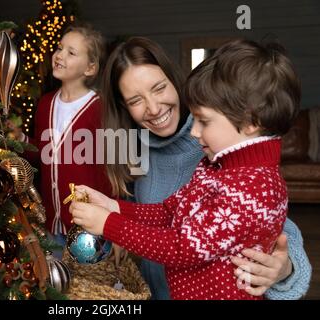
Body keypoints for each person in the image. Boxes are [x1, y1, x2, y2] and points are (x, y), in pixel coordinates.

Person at [70, 38, 311, 299]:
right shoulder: (136, 147)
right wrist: (113, 207)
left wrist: (286, 268)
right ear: (123, 107)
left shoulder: (225, 156)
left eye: (159, 88)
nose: (153, 108)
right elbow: (167, 211)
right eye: (135, 100)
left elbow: (273, 228)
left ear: (175, 82)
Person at [19, 23, 111, 252]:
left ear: (90, 68)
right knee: (58, 286)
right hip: (53, 225)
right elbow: (44, 154)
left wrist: (113, 225)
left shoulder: (100, 108)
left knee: (90, 287)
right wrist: (20, 138)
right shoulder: (45, 104)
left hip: (90, 229)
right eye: (59, 48)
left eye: (71, 53)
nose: (59, 55)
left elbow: (113, 172)